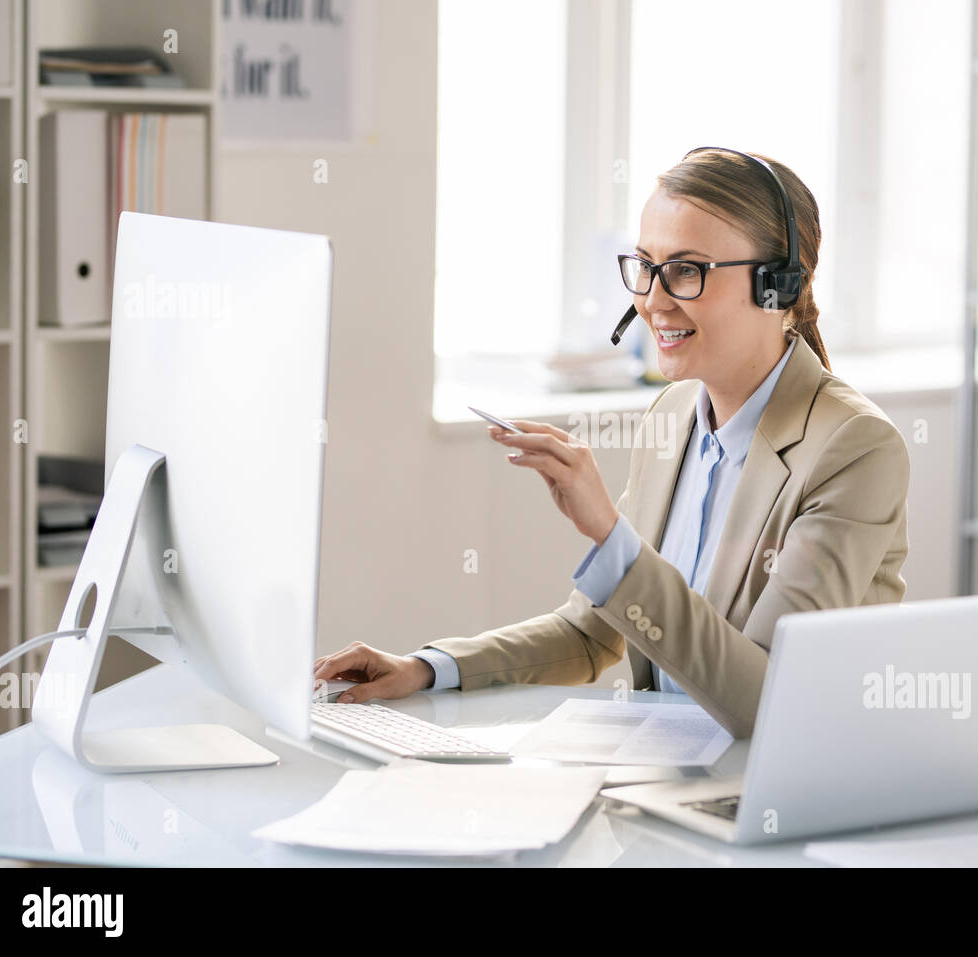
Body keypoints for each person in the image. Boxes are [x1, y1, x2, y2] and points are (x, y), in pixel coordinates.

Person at [314, 147, 910, 738]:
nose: (651, 300)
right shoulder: (672, 417)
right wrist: (425, 668)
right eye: (646, 266)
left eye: (686, 270)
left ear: (777, 286)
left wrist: (610, 536)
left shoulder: (853, 449)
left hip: (787, 792)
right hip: (678, 781)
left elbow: (765, 701)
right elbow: (591, 633)